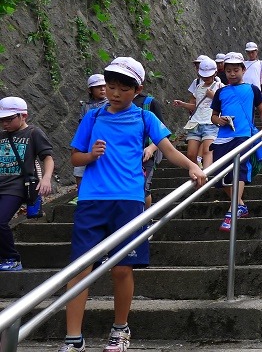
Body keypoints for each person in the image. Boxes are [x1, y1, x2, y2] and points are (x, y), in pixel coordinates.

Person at [61, 57, 206, 352]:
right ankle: (73, 337)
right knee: (79, 269)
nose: (114, 93)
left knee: (122, 269)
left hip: (128, 199)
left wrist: (193, 166)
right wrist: (90, 156)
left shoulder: (144, 118)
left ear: (137, 89)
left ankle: (120, 327)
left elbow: (167, 149)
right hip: (91, 198)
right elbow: (75, 157)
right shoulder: (93, 117)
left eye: (122, 89)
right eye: (110, 87)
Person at [210, 53, 262, 232]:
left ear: (243, 70)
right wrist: (219, 120)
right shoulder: (220, 92)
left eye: (236, 70)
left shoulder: (252, 89)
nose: (232, 73)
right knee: (220, 176)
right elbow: (213, 116)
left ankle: (232, 211)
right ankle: (240, 205)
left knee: (240, 170)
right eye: (228, 70)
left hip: (243, 135)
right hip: (223, 137)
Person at [0, 97, 54, 272]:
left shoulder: (33, 133)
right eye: (2, 119)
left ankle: (12, 258)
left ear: (24, 116)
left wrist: (46, 178)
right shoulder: (1, 136)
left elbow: (47, 157)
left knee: (1, 221)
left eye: (9, 119)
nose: (5, 123)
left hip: (16, 186)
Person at [174, 57, 220, 170]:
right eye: (204, 76)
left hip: (210, 123)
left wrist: (213, 96)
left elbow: (225, 103)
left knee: (207, 151)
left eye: (208, 75)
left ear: (215, 73)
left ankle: (205, 177)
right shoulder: (198, 86)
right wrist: (182, 104)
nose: (206, 78)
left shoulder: (219, 86)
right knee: (190, 154)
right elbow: (196, 106)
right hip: (196, 122)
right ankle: (197, 172)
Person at [71, 74, 108, 204]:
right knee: (79, 170)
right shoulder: (85, 106)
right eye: (98, 87)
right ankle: (81, 194)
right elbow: (82, 125)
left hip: (104, 142)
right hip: (87, 142)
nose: (102, 89)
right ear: (90, 90)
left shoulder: (110, 104)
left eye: (104, 86)